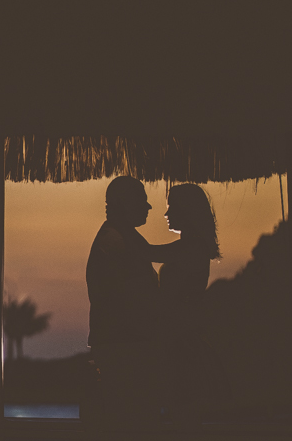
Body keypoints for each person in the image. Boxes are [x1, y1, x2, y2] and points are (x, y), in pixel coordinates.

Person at [138, 183, 222, 425]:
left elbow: (146, 252)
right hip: (182, 333)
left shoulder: (190, 247)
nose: (166, 215)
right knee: (182, 405)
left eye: (171, 208)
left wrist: (121, 235)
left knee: (182, 403)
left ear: (187, 211)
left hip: (181, 336)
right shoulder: (193, 247)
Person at [85, 176, 161, 427]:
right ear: (123, 203)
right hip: (124, 350)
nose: (148, 206)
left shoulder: (122, 239)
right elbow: (132, 299)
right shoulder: (115, 242)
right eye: (142, 199)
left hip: (123, 347)